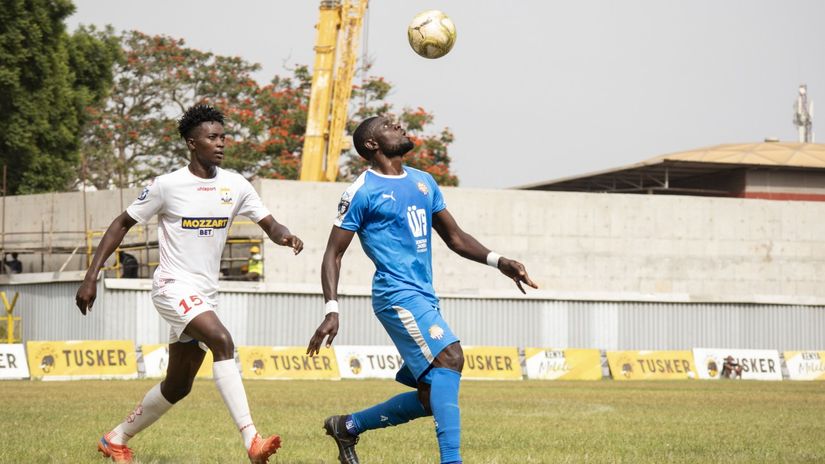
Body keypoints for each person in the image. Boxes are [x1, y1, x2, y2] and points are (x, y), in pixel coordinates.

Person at [75, 105, 303, 464]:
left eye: (223, 137)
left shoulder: (236, 185)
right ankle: (252, 441)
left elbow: (269, 224)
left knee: (178, 386)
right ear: (191, 143)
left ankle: (115, 438)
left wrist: (286, 236)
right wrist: (91, 276)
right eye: (211, 137)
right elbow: (121, 224)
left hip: (204, 295)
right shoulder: (167, 185)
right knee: (222, 341)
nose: (220, 143)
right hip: (171, 286)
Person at [306, 116, 537, 464]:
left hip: (424, 295)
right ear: (372, 144)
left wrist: (498, 261)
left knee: (432, 397)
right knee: (452, 357)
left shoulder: (424, 182)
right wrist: (331, 309)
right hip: (396, 295)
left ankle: (348, 425)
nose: (398, 125)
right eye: (387, 125)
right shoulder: (361, 191)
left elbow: (456, 239)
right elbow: (332, 253)